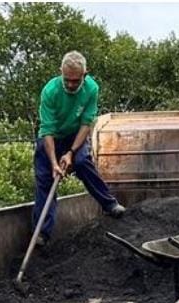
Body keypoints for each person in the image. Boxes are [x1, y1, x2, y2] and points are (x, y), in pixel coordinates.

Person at [33, 50, 125, 246]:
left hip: (75, 136)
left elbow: (86, 123)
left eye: (76, 80)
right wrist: (54, 163)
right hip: (50, 139)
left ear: (85, 74)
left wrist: (71, 153)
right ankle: (42, 234)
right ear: (61, 72)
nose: (71, 85)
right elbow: (47, 130)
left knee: (83, 162)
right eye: (67, 80)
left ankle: (110, 204)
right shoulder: (50, 91)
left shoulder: (91, 89)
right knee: (45, 180)